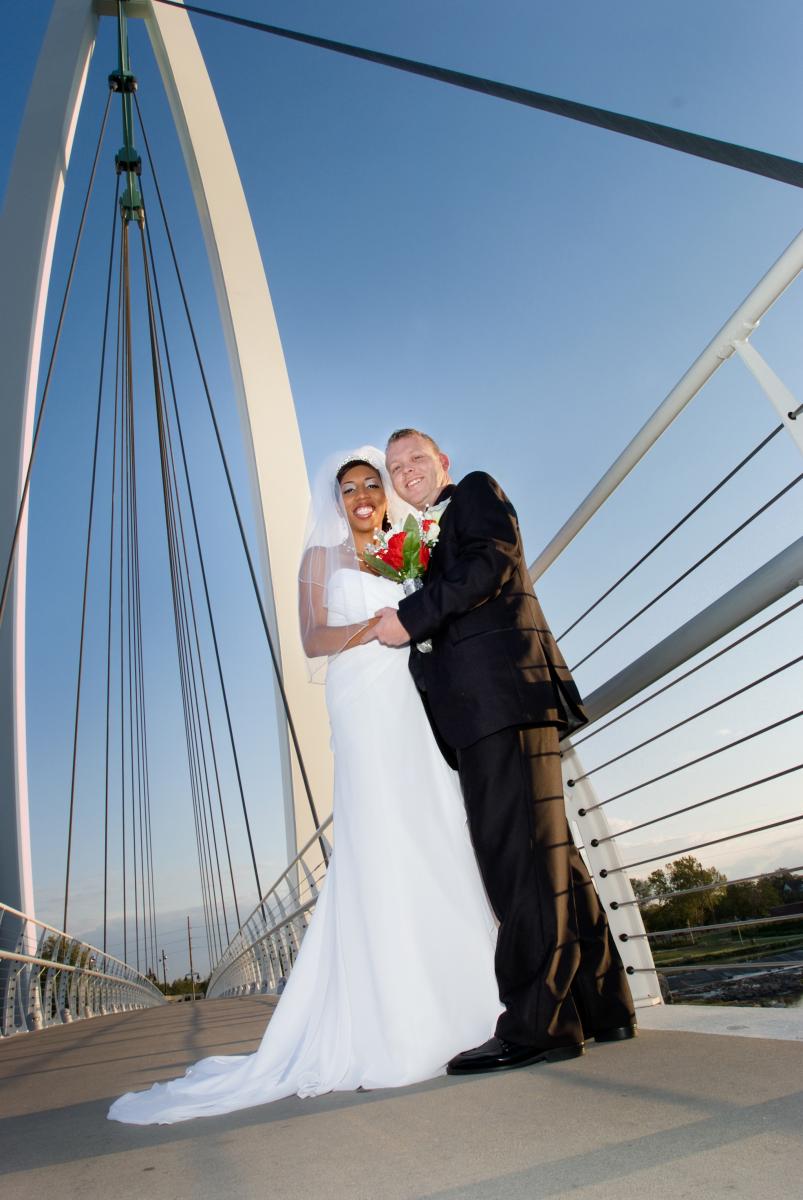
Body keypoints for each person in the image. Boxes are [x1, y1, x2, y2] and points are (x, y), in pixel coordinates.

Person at [108, 447, 501, 1125]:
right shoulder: (320, 558)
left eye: (371, 484)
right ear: (336, 499)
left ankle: (476, 997)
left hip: (410, 698)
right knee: (378, 837)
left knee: (435, 825)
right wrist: (378, 628)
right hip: (360, 700)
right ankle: (398, 1018)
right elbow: (313, 639)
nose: (362, 496)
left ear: (385, 492)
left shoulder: (409, 549)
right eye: (349, 488)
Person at [374, 429, 635, 1074]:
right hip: (489, 707)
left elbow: (491, 563)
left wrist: (411, 616)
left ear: (443, 463)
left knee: (515, 863)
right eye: (396, 466)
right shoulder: (421, 539)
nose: (406, 471)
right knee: (550, 857)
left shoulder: (474, 493)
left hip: (501, 698)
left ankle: (537, 1025)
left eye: (416, 459)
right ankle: (604, 1005)